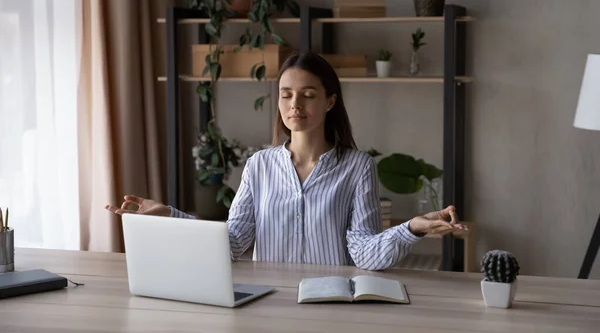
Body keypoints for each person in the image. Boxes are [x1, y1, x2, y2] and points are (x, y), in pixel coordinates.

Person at [106, 52, 467, 270]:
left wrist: (412, 229)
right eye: (286, 95)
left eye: (308, 95)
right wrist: (170, 216)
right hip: (266, 302)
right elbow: (232, 243)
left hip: (331, 304)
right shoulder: (259, 166)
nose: (295, 105)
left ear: (329, 102)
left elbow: (364, 253)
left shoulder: (357, 167)